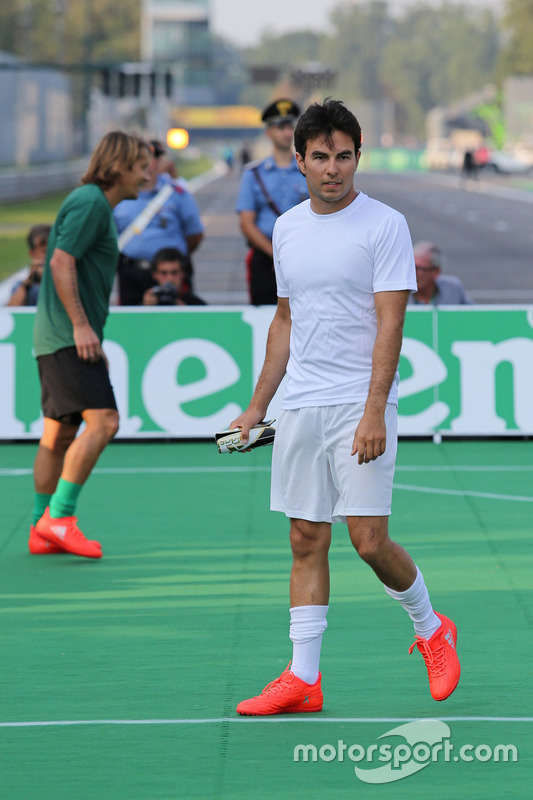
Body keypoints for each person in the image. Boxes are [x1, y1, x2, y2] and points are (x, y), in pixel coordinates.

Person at [231, 99, 461, 716]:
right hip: (301, 405)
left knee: (367, 541)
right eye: (320, 158)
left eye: (343, 156)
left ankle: (431, 627)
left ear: (358, 156)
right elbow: (284, 321)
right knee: (305, 537)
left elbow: (392, 323)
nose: (333, 169)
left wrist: (373, 410)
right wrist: (257, 408)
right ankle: (303, 678)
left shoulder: (385, 224)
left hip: (359, 406)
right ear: (300, 162)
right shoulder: (285, 227)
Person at [29, 131, 151, 558]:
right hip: (67, 336)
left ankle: (39, 528)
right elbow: (62, 261)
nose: (147, 176)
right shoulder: (91, 203)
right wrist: (82, 327)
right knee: (104, 422)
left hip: (54, 336)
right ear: (119, 168)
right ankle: (59, 519)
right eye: (140, 167)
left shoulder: (93, 203)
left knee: (58, 435)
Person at [236, 99, 309, 305]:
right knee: (265, 315)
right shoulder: (253, 174)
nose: (286, 133)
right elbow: (246, 223)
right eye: (280, 127)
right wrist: (275, 255)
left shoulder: (309, 171)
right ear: (268, 132)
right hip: (266, 259)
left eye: (289, 127)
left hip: (303, 255)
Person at [113, 139, 204, 304]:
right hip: (133, 273)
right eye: (140, 158)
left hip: (170, 274)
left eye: (151, 157)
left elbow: (195, 234)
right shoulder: (119, 194)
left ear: (159, 161)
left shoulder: (176, 192)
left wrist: (172, 257)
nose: (146, 163)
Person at [409, 241, 473, 305]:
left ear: (436, 272)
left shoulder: (453, 289)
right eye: (411, 268)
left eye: (419, 268)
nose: (413, 273)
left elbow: (474, 312)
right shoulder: (401, 293)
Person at [142, 247, 206, 306]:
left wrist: (187, 314)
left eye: (174, 273)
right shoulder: (146, 302)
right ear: (155, 275)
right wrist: (144, 307)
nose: (170, 278)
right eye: (164, 273)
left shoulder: (197, 305)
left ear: (183, 274)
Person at [7, 224, 51, 307]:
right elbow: (10, 311)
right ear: (32, 254)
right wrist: (29, 281)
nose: (49, 256)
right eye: (45, 252)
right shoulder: (24, 283)